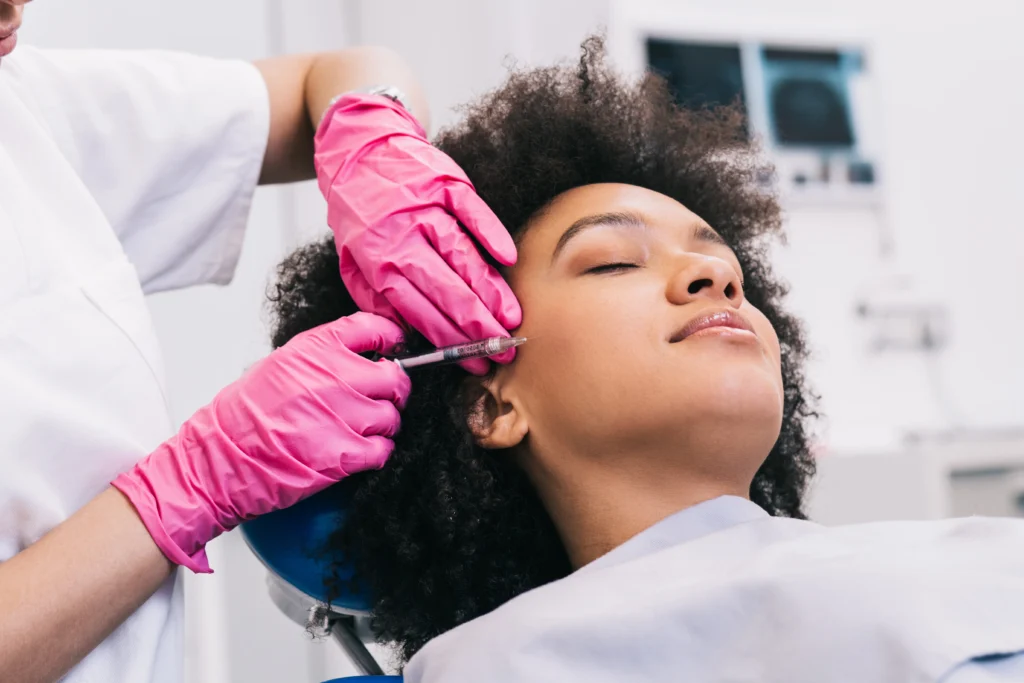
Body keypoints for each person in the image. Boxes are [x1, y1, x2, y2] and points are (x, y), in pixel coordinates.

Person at [268, 37, 1024, 682]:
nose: (716, 278)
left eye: (728, 266)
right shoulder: (494, 664)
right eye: (613, 261)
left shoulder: (965, 552)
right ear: (491, 405)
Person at [0, 1, 521, 681]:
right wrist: (193, 483)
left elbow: (333, 73)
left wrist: (370, 132)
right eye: (611, 264)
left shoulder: (25, 103)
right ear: (494, 408)